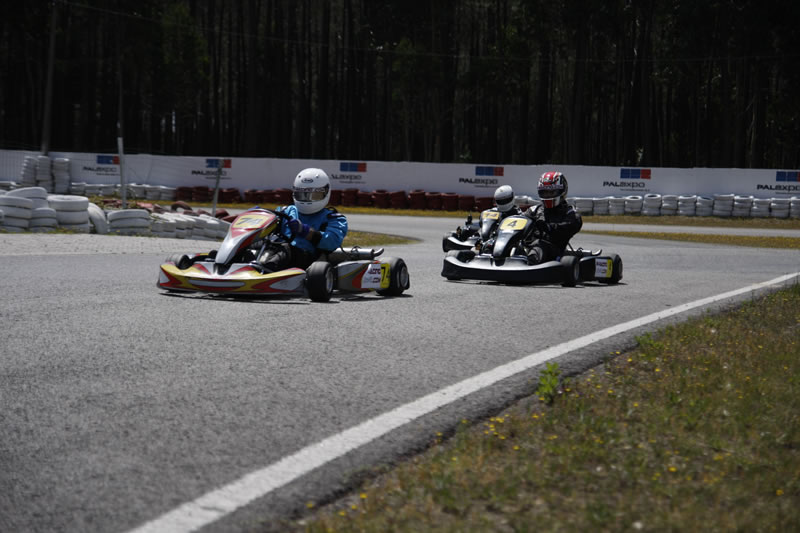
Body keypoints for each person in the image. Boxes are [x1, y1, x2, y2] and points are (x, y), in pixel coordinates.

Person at [260, 168, 348, 270]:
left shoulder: (333, 218)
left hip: (307, 260)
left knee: (287, 249)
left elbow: (331, 242)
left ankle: (264, 271)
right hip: (274, 250)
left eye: (314, 195)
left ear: (326, 193)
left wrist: (305, 231)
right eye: (302, 194)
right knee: (254, 245)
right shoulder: (285, 211)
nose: (307, 199)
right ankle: (247, 267)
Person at [522, 171, 582, 264]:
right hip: (527, 247)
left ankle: (531, 262)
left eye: (551, 192)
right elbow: (521, 222)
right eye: (545, 192)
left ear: (562, 191)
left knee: (539, 244)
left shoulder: (570, 213)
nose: (547, 195)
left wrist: (547, 227)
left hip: (553, 253)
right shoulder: (534, 211)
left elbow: (568, 228)